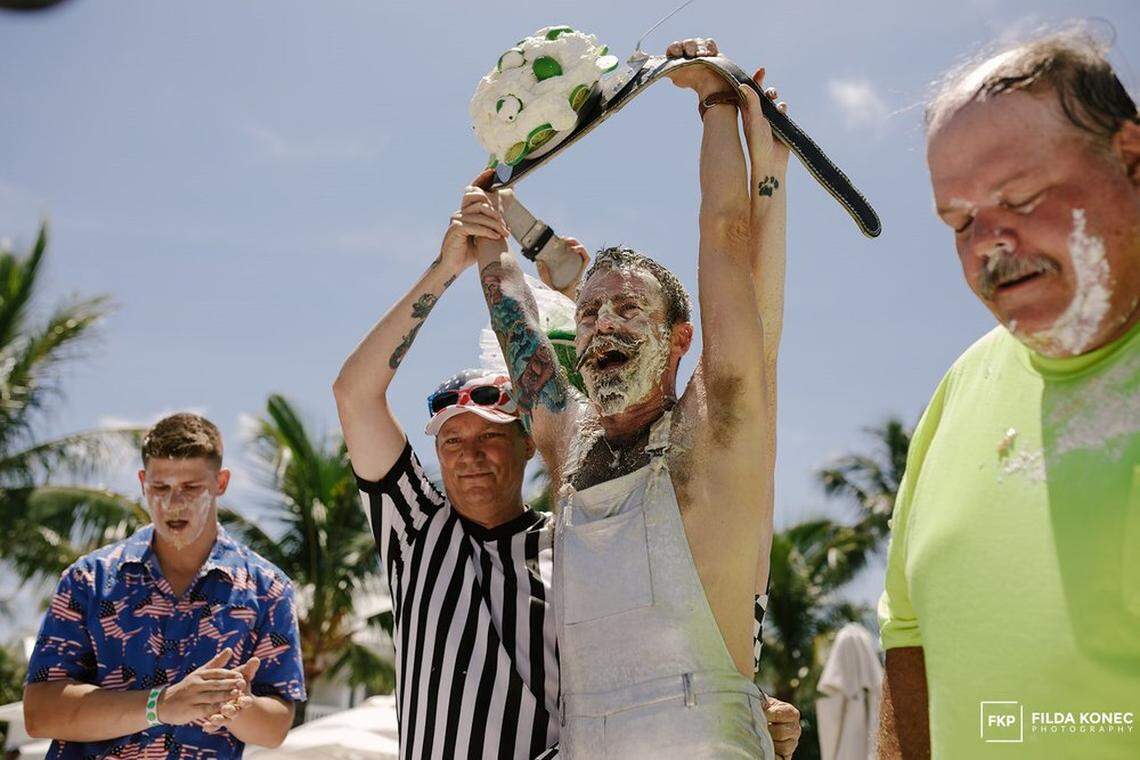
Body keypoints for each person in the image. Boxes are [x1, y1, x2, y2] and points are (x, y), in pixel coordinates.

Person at [334, 173, 801, 758]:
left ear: (530, 439)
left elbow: (665, 639)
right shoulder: (418, 531)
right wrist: (453, 263)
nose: (469, 453)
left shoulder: (580, 542)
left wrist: (746, 705)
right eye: (451, 440)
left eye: (490, 435)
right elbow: (354, 393)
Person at [470, 36, 789, 758]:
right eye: (589, 312)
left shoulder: (714, 428)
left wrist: (712, 101)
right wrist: (489, 233)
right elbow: (522, 338)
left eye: (627, 309)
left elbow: (727, 233)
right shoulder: (568, 439)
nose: (602, 321)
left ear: (680, 341)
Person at [878, 28, 1140, 759]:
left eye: (1018, 197)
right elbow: (908, 635)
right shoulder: (962, 388)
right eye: (959, 222)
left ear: (1132, 160)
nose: (989, 243)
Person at [23, 413, 306, 759]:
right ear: (143, 481)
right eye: (160, 487)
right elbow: (39, 714)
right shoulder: (88, 580)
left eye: (191, 487)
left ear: (221, 483)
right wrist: (161, 704)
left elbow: (275, 728)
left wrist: (235, 704)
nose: (173, 503)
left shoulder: (268, 590)